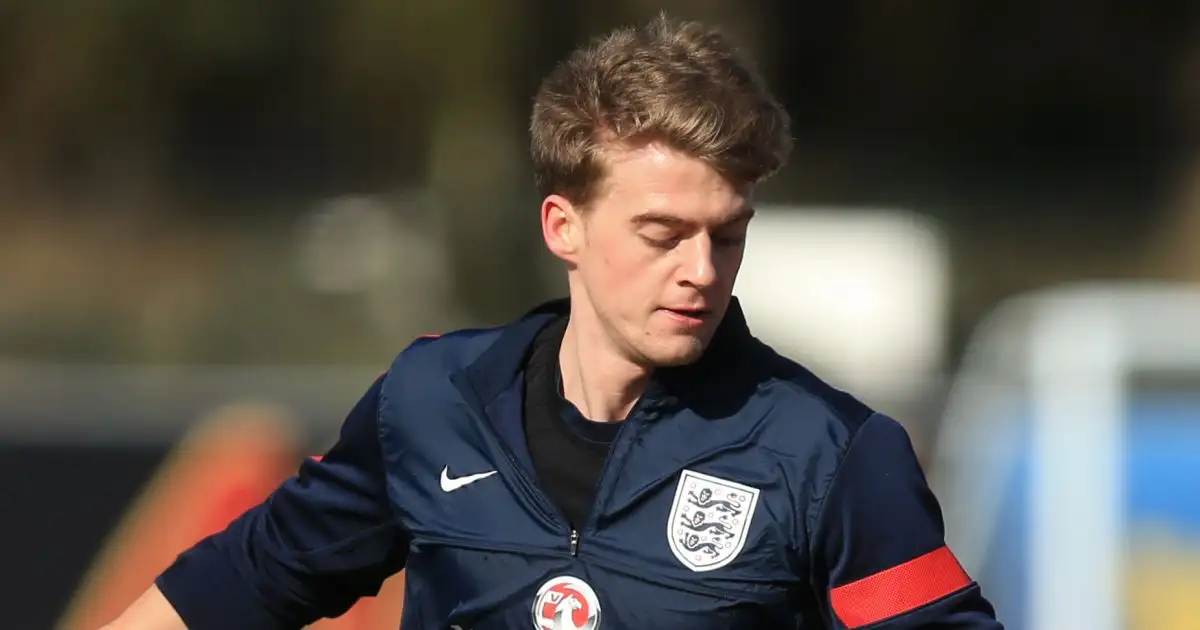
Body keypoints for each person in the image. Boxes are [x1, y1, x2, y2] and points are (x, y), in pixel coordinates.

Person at [102, 14, 1003, 630]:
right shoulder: (430, 401)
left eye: (727, 235)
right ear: (562, 227)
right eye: (662, 234)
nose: (701, 269)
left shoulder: (832, 454)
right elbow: (235, 588)